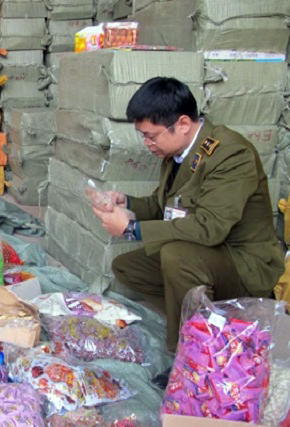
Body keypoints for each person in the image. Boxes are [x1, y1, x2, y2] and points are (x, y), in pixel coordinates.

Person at [90, 77, 284, 354]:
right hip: (210, 254)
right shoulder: (179, 152)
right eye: (143, 136)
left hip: (243, 264)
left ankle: (186, 352)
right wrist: (126, 202)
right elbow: (164, 207)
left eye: (151, 135)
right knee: (128, 266)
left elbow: (210, 227)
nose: (147, 143)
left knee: (176, 256)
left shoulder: (230, 154)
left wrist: (132, 229)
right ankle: (208, 319)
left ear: (182, 124)